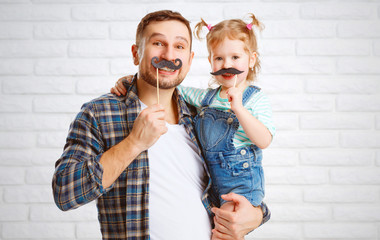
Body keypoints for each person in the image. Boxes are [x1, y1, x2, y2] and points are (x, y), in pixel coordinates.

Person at [53, 10, 270, 240]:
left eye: (179, 46)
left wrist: (257, 214)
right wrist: (134, 143)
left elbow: (236, 177)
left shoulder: (203, 116)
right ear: (136, 53)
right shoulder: (99, 113)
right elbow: (64, 193)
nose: (169, 54)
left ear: (189, 58)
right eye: (158, 43)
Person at [113, 13, 275, 218]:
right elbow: (171, 85)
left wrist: (239, 109)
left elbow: (264, 140)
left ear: (251, 60)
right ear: (210, 61)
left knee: (225, 229)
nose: (227, 64)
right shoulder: (205, 98)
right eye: (219, 58)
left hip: (242, 183)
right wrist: (132, 81)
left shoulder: (255, 99)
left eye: (235, 57)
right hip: (214, 186)